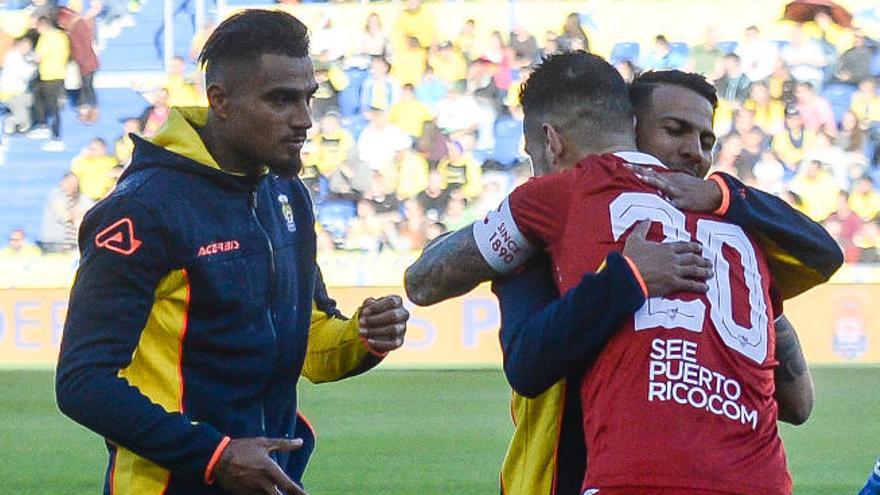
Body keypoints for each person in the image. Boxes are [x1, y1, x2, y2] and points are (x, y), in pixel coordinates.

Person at [406, 59, 841, 494]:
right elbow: (799, 400)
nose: (696, 152)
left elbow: (433, 289)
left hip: (617, 477)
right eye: (675, 131)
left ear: (549, 141)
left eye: (706, 139)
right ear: (630, 127)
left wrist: (626, 278)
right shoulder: (743, 227)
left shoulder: (564, 203)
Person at [55, 11, 410, 495]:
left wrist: (363, 337)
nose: (304, 119)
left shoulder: (287, 194)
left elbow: (308, 338)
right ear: (219, 100)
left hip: (269, 481)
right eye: (281, 99)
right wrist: (215, 457)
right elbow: (82, 382)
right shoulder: (141, 212)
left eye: (308, 97)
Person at [31, 16, 69, 151]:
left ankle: (56, 137)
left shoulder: (45, 38)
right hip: (59, 73)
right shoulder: (61, 35)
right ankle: (43, 126)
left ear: (42, 26)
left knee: (53, 107)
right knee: (40, 98)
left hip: (48, 74)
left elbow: (38, 57)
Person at [38, 172, 93, 253]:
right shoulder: (56, 195)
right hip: (54, 242)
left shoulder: (80, 197)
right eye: (70, 183)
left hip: (73, 244)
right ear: (63, 183)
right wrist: (80, 213)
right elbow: (64, 216)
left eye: (75, 184)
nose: (73, 186)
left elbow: (92, 209)